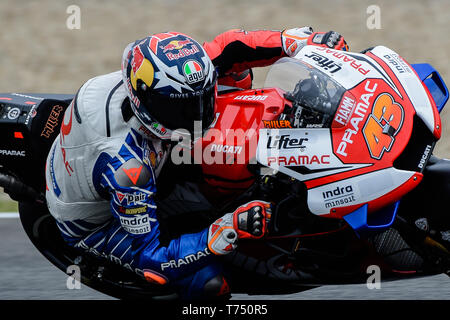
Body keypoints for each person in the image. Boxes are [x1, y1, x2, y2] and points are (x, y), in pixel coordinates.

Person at [44, 27, 348, 299]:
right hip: (97, 224)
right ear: (145, 100)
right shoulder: (128, 169)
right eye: (184, 107)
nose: (200, 113)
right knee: (209, 287)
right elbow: (153, 258)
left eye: (202, 100)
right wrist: (227, 229)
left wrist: (298, 42)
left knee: (238, 80)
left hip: (131, 156)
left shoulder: (168, 82)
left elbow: (232, 46)